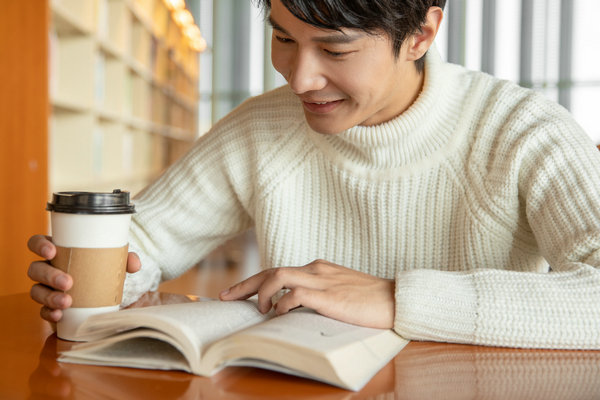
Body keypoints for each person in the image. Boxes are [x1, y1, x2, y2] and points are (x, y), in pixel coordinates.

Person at [28, 0, 600, 349]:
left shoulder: (522, 130)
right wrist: (93, 284)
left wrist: (398, 299)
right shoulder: (263, 128)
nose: (300, 80)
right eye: (283, 38)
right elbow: (143, 242)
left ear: (421, 35)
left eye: (335, 49)